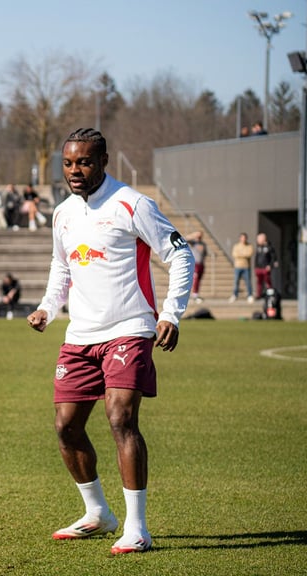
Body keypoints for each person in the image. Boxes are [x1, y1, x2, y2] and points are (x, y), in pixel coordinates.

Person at [27, 128, 194, 555]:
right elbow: (60, 265)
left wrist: (171, 312)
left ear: (103, 161)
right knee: (66, 427)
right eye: (67, 163)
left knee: (121, 418)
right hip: (80, 335)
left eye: (83, 162)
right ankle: (98, 513)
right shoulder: (63, 213)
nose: (74, 171)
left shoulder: (133, 204)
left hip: (130, 328)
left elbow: (180, 254)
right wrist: (48, 306)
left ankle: (137, 528)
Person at [230, 232, 254, 303]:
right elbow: (235, 254)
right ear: (240, 238)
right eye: (242, 238)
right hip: (238, 266)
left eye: (244, 238)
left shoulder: (249, 246)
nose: (243, 239)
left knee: (248, 281)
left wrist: (240, 254)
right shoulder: (236, 246)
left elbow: (249, 254)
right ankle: (235, 295)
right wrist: (243, 255)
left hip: (246, 266)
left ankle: (250, 295)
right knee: (236, 281)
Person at [187, 231, 207, 303]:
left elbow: (204, 253)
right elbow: (185, 239)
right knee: (195, 278)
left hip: (201, 264)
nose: (199, 236)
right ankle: (194, 295)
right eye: (198, 235)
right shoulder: (193, 243)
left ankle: (196, 294)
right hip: (195, 264)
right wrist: (193, 235)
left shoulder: (203, 244)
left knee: (198, 279)